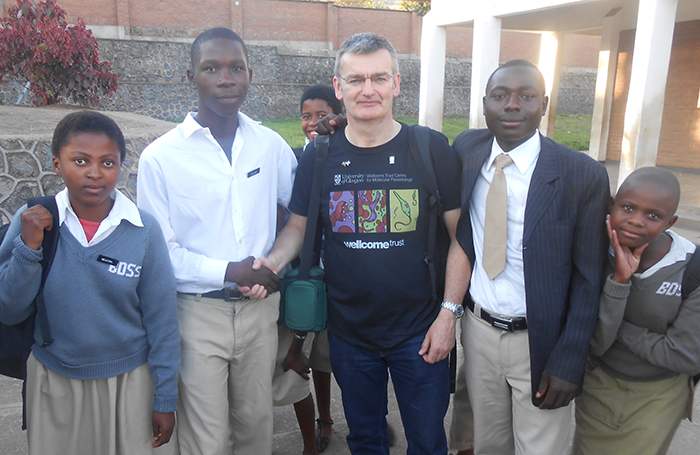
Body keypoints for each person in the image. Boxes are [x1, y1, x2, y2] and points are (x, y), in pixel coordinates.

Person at [245, 32, 463, 455]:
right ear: (339, 87)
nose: (368, 90)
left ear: (397, 84)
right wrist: (269, 265)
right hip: (349, 333)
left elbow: (461, 239)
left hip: (420, 331)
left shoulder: (430, 149)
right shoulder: (319, 155)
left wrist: (449, 315)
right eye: (356, 79)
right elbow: (297, 228)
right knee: (364, 440)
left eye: (379, 78)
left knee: (428, 441)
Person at [136, 27, 296, 455]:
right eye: (211, 68)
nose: (226, 78)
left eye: (236, 68)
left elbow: (298, 214)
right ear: (191, 77)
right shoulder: (161, 158)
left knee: (256, 428)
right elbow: (159, 252)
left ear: (250, 74)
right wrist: (228, 270)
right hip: (195, 313)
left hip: (260, 311)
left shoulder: (270, 146)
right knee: (205, 438)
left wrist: (274, 265)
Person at [446, 59, 610, 454]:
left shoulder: (581, 174)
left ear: (545, 104)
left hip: (541, 339)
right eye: (501, 96)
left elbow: (590, 279)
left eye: (527, 96)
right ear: (485, 104)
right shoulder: (467, 150)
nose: (513, 105)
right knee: (489, 443)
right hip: (479, 331)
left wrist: (570, 360)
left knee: (538, 447)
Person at [0, 110, 180, 455]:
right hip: (54, 382)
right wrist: (29, 249)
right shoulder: (32, 223)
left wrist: (165, 397)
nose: (95, 173)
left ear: (121, 166)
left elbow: (162, 321)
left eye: (108, 162)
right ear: (56, 164)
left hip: (128, 383)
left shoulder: (143, 231)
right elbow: (9, 311)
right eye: (80, 160)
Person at [572, 167, 699, 455]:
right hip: (600, 382)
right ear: (612, 206)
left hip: (657, 395)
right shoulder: (593, 251)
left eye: (653, 216)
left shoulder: (691, 268)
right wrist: (619, 281)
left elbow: (685, 354)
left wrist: (616, 326)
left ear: (671, 222)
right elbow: (597, 344)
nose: (636, 221)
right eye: (627, 208)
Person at [273, 83, 342, 455]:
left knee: (331, 357)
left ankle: (344, 418)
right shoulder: (298, 158)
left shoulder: (347, 154)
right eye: (306, 116)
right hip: (306, 271)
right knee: (306, 356)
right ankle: (317, 430)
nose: (313, 122)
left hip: (339, 270)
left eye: (321, 114)